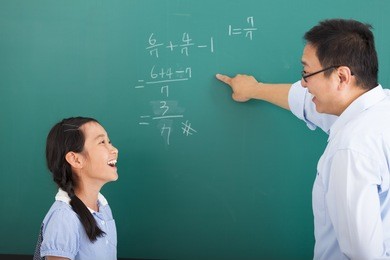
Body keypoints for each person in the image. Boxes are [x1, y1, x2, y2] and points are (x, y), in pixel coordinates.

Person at [216, 19, 390, 259]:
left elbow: (363, 255)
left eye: (307, 73)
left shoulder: (351, 149)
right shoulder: (379, 108)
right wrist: (254, 89)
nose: (303, 83)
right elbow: (305, 100)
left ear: (341, 77)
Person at [33, 117, 119, 260]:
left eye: (109, 142)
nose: (114, 149)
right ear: (76, 159)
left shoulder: (103, 207)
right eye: (102, 142)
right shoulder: (63, 218)